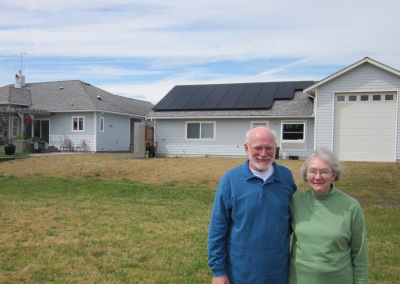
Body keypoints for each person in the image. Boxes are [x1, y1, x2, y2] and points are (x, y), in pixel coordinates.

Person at [208, 127, 297, 284]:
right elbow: (218, 227)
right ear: (246, 148)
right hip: (240, 273)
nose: (263, 154)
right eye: (258, 148)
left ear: (275, 148)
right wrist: (218, 271)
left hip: (278, 272)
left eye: (269, 148)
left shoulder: (286, 177)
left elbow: (294, 219)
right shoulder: (230, 179)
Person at [289, 147, 368, 284]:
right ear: (305, 175)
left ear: (334, 175)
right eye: (313, 171)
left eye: (324, 171)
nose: (318, 177)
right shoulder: (295, 200)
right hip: (299, 279)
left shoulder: (350, 206)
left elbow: (359, 254)